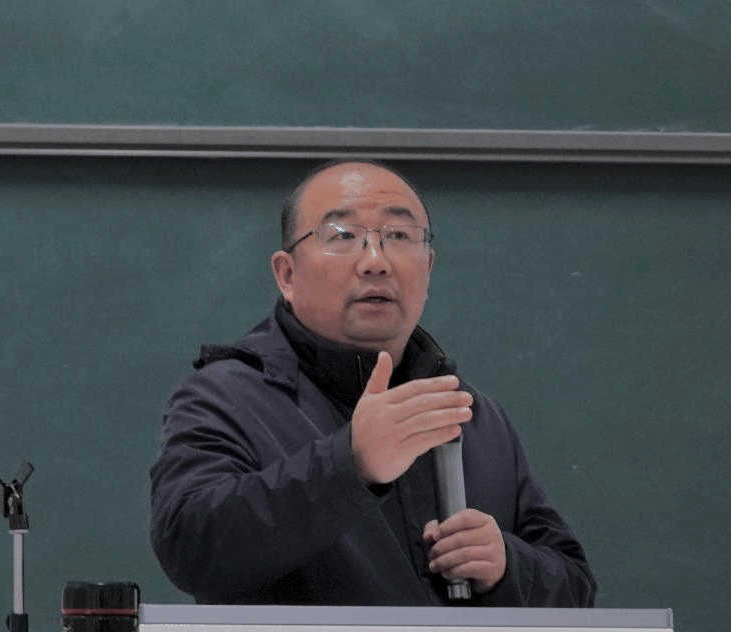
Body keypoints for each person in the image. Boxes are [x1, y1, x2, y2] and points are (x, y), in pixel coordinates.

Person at [149, 159, 596, 607]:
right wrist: (350, 463)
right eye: (343, 236)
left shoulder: (468, 412)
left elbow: (575, 590)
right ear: (287, 275)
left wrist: (506, 566)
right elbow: (190, 548)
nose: (376, 262)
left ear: (428, 267)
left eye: (399, 236)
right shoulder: (225, 396)